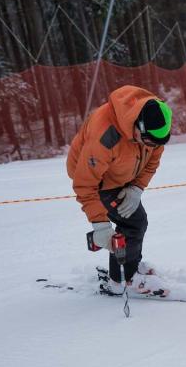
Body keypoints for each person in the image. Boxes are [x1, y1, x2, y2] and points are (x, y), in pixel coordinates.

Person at [67, 85, 172, 294]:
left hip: (123, 173)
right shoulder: (105, 137)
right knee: (133, 223)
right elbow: (85, 184)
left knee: (135, 222)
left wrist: (136, 188)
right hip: (98, 180)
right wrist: (100, 225)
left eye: (158, 143)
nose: (153, 146)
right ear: (138, 126)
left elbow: (152, 161)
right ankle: (122, 278)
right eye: (149, 142)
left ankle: (131, 265)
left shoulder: (155, 123)